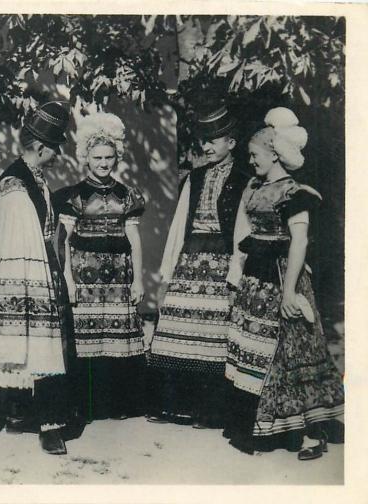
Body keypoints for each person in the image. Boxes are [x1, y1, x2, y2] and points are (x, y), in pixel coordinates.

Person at [222, 107, 344, 459]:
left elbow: (300, 243)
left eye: (255, 155)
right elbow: (245, 236)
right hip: (256, 281)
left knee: (292, 353)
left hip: (282, 277)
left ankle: (311, 434)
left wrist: (289, 291)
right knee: (258, 350)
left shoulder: (295, 192)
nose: (251, 160)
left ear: (274, 154)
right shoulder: (254, 187)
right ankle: (265, 424)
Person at [0, 101, 75, 455]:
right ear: (40, 148)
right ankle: (35, 421)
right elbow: (16, 237)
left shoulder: (33, 179)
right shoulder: (15, 184)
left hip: (42, 270)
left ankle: (29, 415)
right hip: (25, 275)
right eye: (54, 151)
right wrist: (36, 280)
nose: (56, 158)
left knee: (42, 342)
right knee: (31, 341)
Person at [148, 101, 251, 428]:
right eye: (203, 141)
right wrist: (168, 274)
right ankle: (173, 406)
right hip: (189, 262)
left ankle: (210, 410)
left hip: (221, 263)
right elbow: (179, 226)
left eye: (214, 140)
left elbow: (242, 231)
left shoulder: (244, 180)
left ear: (231, 143)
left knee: (213, 337)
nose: (206, 147)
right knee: (177, 331)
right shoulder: (194, 178)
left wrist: (236, 272)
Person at [54, 112, 147, 422]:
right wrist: (67, 279)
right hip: (84, 277)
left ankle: (117, 403)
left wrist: (139, 279)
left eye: (109, 157)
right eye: (97, 157)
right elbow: (63, 239)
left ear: (117, 157)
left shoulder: (127, 195)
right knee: (87, 341)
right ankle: (85, 404)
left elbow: (133, 237)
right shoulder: (74, 196)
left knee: (115, 340)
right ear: (86, 158)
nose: (104, 163)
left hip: (120, 277)